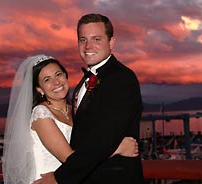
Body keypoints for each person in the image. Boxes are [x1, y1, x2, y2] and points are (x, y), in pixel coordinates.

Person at [35, 13, 144, 184]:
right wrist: (118, 148)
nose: (88, 46)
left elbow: (103, 138)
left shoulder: (122, 79)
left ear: (111, 42)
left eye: (96, 39)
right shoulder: (83, 82)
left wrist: (58, 178)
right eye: (83, 39)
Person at [2, 54, 139, 184]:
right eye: (47, 79)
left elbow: (89, 144)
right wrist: (117, 149)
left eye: (58, 74)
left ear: (66, 76)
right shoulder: (41, 114)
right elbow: (69, 159)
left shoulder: (74, 109)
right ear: (39, 89)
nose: (56, 82)